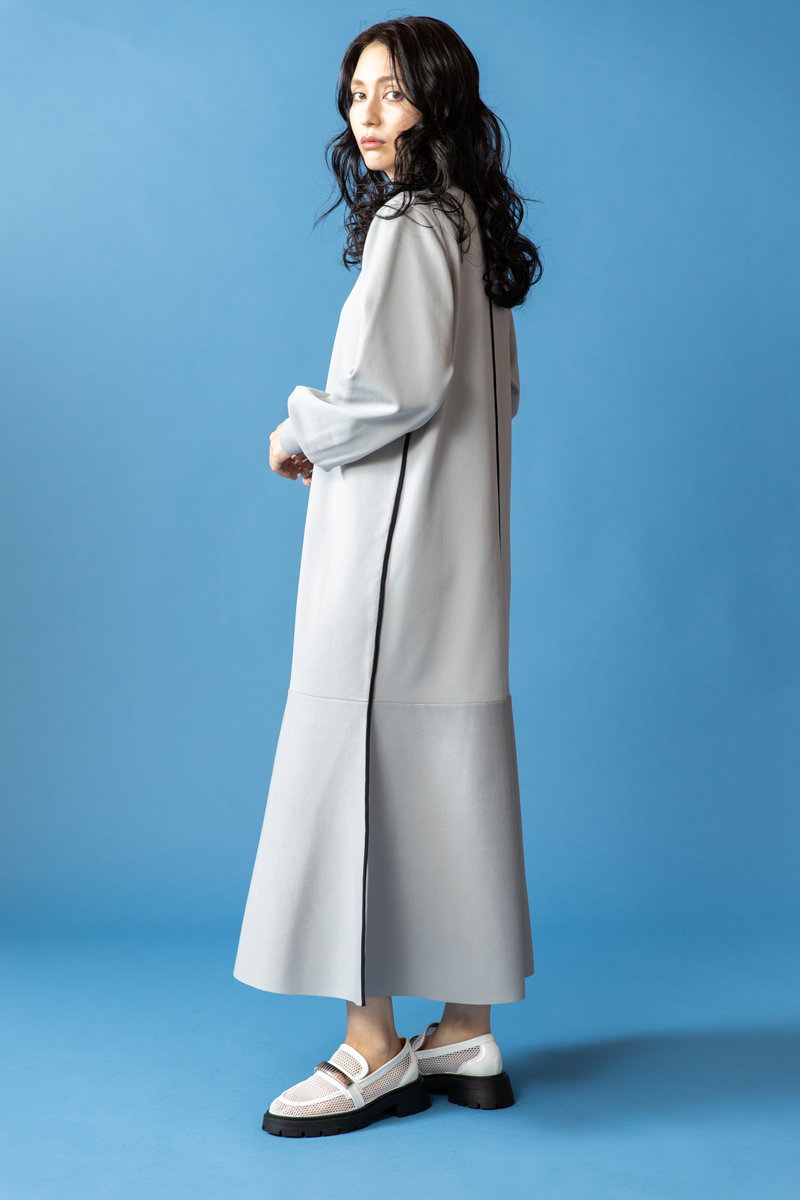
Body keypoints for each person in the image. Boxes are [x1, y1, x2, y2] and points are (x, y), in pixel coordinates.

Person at [233, 15, 543, 1138]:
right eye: (356, 91)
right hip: (460, 555)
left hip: (387, 558)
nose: (367, 114)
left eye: (392, 92)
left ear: (437, 101)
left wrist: (296, 430)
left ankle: (371, 1047)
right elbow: (498, 397)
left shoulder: (413, 222)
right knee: (448, 768)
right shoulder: (470, 224)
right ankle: (464, 1028)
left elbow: (391, 392)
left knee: (352, 769)